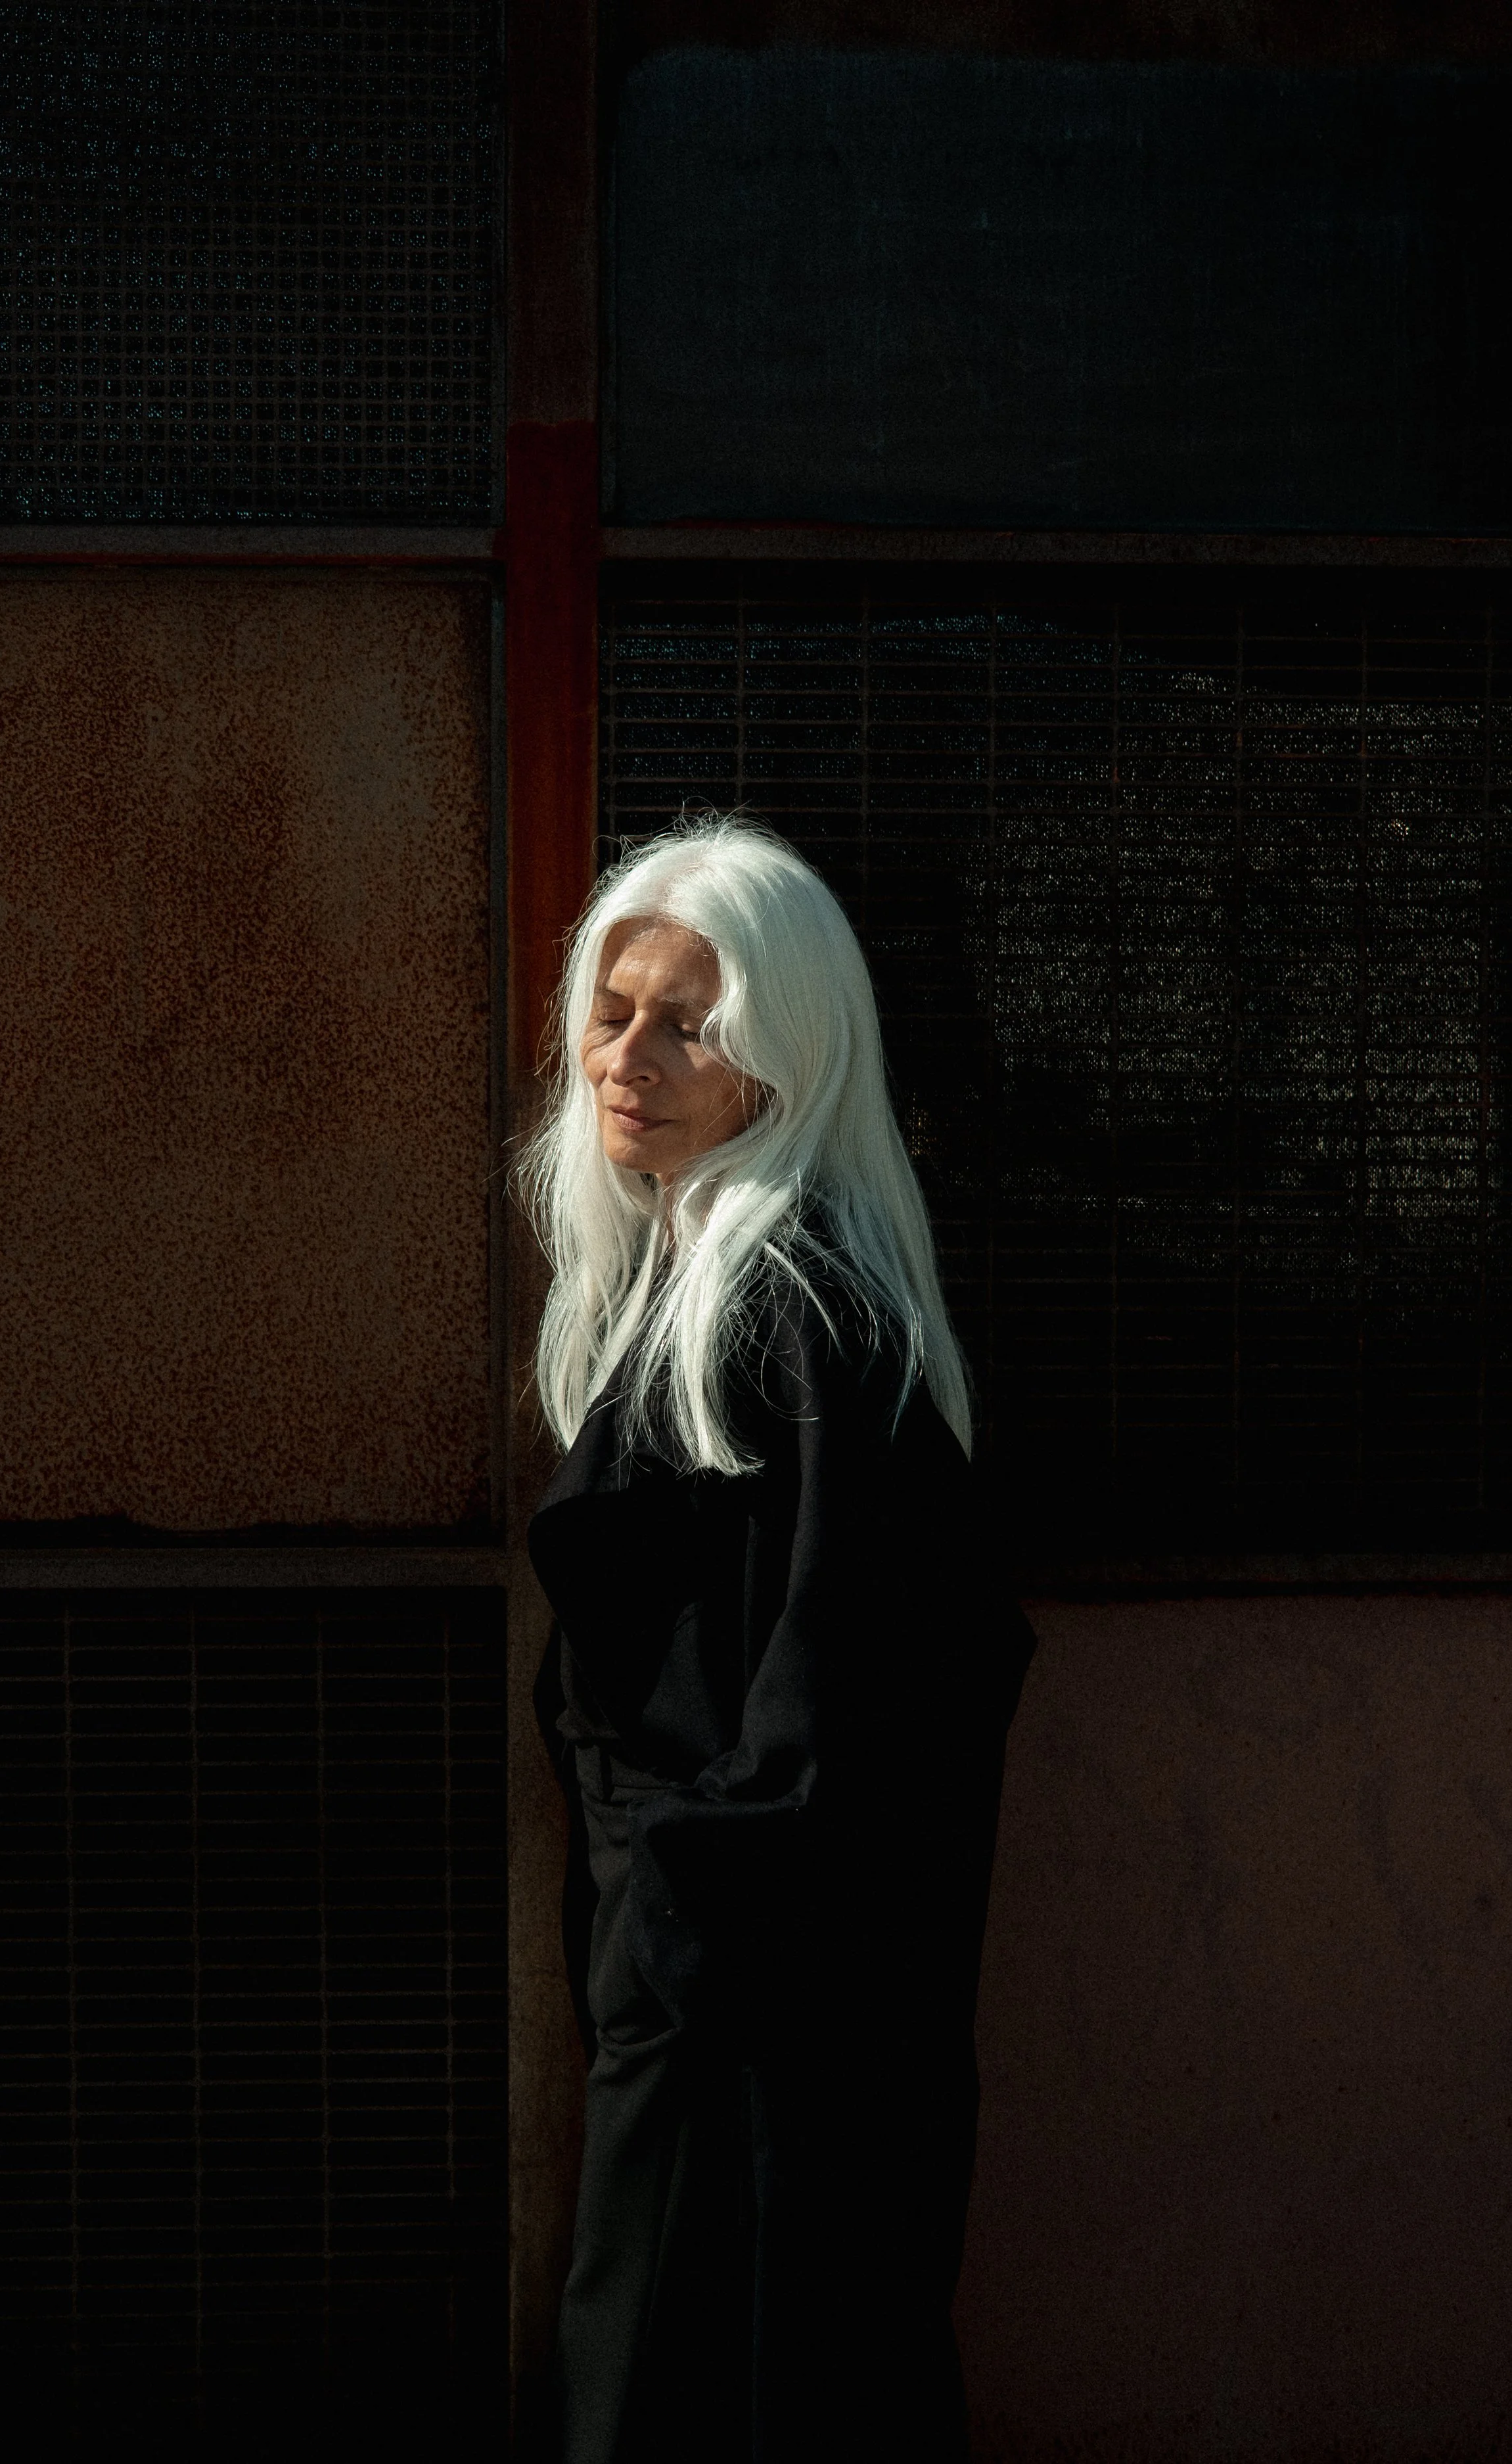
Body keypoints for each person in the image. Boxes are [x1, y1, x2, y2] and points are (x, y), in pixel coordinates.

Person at [520, 817, 1036, 2464]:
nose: (630, 1057)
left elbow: (872, 1676)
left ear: (786, 1053)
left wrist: (679, 1892)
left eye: (689, 1021)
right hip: (712, 1979)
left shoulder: (799, 1314)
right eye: (612, 1011)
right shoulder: (695, 1285)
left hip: (764, 2014)